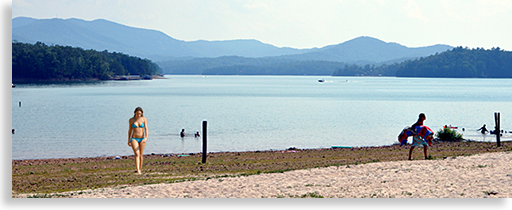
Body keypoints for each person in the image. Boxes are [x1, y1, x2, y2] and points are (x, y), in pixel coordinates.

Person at [128, 107, 148, 174]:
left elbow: (146, 129)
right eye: (137, 113)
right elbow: (130, 130)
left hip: (142, 138)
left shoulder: (144, 119)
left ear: (141, 113)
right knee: (137, 154)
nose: (139, 114)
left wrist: (146, 137)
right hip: (134, 138)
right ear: (135, 113)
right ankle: (138, 170)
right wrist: (128, 140)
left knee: (141, 155)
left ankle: (140, 168)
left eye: (140, 113)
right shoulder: (131, 120)